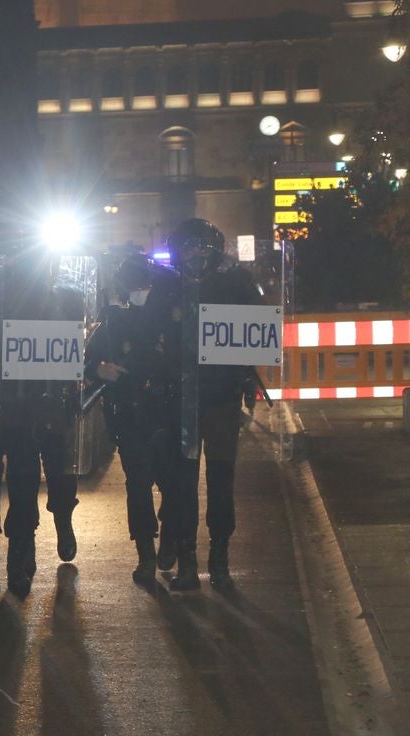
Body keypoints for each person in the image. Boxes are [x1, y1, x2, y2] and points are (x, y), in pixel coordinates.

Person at [148, 218, 261, 592]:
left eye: (204, 248)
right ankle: (187, 559)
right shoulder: (164, 291)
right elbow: (151, 345)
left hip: (220, 399)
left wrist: (246, 385)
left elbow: (254, 335)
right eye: (190, 248)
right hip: (179, 402)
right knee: (182, 485)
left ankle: (220, 557)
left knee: (221, 480)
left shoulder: (234, 286)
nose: (197, 255)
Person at [0, 255, 85, 599]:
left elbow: (76, 344)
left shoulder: (67, 298)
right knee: (21, 482)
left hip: (55, 405)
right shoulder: (2, 303)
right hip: (18, 409)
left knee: (61, 477)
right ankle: (21, 555)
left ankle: (63, 519)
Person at [85, 254, 171, 584]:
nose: (141, 291)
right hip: (130, 418)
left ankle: (171, 540)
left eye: (146, 285)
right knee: (138, 485)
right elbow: (84, 362)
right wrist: (98, 370)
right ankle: (146, 553)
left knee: (171, 485)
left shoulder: (168, 322)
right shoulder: (112, 325)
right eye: (136, 286)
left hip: (166, 416)